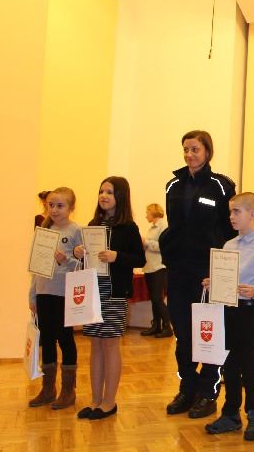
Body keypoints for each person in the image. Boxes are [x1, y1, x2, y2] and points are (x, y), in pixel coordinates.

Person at [159, 130, 236, 420]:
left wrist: (220, 271)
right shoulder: (172, 186)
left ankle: (208, 392)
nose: (189, 154)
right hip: (178, 269)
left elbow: (229, 231)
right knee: (183, 333)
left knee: (209, 332)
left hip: (207, 272)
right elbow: (174, 225)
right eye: (186, 149)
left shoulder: (222, 186)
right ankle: (187, 388)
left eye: (195, 149)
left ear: (207, 151)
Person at [204, 192, 254, 441]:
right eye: (230, 211)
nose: (231, 216)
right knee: (229, 364)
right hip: (229, 312)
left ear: (253, 214)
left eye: (236, 211)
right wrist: (213, 283)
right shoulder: (228, 246)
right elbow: (227, 280)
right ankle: (231, 414)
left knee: (248, 364)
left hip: (249, 312)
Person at [74, 176, 145, 420]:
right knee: (95, 344)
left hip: (114, 292)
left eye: (110, 192)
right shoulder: (93, 224)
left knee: (110, 344)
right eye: (101, 191)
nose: (103, 196)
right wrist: (78, 251)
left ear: (120, 197)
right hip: (93, 291)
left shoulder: (129, 227)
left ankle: (109, 402)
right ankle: (95, 400)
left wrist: (117, 257)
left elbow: (139, 259)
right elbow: (86, 257)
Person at [28, 187, 82, 410]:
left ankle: (68, 391)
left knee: (65, 339)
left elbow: (83, 266)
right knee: (47, 340)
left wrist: (65, 260)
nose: (54, 209)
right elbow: (36, 267)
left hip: (64, 294)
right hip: (44, 292)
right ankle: (48, 389)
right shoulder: (43, 230)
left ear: (71, 207)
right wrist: (32, 294)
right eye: (51, 205)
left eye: (60, 206)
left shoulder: (76, 230)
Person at [141, 203, 171, 338]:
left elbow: (163, 246)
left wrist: (146, 242)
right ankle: (156, 325)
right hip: (149, 267)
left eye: (147, 212)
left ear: (153, 212)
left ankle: (168, 327)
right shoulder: (151, 228)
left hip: (158, 267)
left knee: (157, 298)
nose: (146, 215)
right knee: (154, 299)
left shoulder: (163, 226)